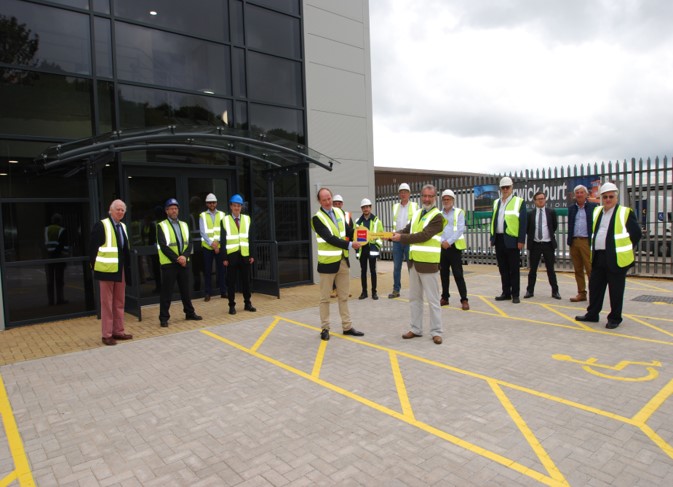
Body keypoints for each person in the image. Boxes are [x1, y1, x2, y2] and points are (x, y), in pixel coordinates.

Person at [576, 182, 642, 329]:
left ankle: (615, 318)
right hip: (599, 256)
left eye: (610, 197)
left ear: (616, 198)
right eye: (605, 197)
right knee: (595, 287)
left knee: (616, 290)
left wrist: (623, 247)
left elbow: (636, 234)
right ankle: (592, 314)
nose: (607, 199)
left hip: (616, 258)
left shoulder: (625, 212)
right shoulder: (598, 211)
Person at [392, 184, 446, 344]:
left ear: (435, 198)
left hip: (429, 264)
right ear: (421, 197)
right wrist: (392, 235)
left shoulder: (438, 217)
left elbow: (424, 236)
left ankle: (436, 331)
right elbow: (407, 229)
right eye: (424, 196)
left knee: (433, 300)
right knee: (414, 298)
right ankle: (416, 329)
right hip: (414, 263)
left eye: (430, 196)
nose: (427, 199)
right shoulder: (416, 214)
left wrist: (400, 238)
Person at [311, 187, 365, 341]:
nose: (328, 202)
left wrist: (363, 234)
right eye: (324, 200)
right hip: (327, 263)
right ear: (319, 201)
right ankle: (325, 328)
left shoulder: (340, 212)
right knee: (325, 298)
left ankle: (347, 327)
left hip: (342, 261)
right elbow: (329, 238)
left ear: (332, 197)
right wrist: (350, 245)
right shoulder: (317, 218)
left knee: (343, 297)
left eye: (329, 198)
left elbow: (348, 231)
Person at [89, 200, 132, 346]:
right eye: (117, 209)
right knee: (107, 304)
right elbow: (92, 248)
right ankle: (106, 335)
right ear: (111, 210)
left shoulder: (123, 226)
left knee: (119, 302)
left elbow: (124, 249)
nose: (120, 212)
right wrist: (94, 266)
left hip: (120, 270)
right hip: (106, 271)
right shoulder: (101, 225)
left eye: (122, 210)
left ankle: (118, 331)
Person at [157, 198, 203, 327]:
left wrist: (184, 256)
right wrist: (178, 258)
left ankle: (189, 313)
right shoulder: (161, 226)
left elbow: (189, 244)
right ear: (166, 211)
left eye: (176, 208)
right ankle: (164, 318)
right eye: (171, 208)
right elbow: (163, 246)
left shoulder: (184, 224)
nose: (174, 210)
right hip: (169, 264)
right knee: (167, 292)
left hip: (183, 263)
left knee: (186, 290)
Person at [491, 176, 527, 303]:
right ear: (500, 189)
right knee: (503, 269)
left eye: (507, 187)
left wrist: (521, 240)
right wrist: (492, 238)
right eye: (503, 187)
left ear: (512, 188)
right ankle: (506, 292)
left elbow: (523, 223)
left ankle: (515, 294)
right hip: (499, 239)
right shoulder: (496, 202)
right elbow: (494, 221)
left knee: (514, 269)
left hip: (512, 239)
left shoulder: (519, 202)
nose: (505, 189)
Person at [223, 194, 256, 315]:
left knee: (246, 281)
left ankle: (248, 303)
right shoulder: (225, 220)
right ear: (231, 206)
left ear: (241, 207)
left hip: (244, 255)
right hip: (231, 256)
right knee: (231, 282)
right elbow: (223, 239)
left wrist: (252, 255)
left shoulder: (247, 219)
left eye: (239, 206)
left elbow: (251, 238)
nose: (237, 208)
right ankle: (231, 306)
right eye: (234, 205)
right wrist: (224, 257)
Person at [524, 191, 561, 300]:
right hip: (535, 244)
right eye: (538, 199)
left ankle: (555, 291)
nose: (541, 200)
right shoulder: (530, 214)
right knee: (533, 270)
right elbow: (528, 229)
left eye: (543, 198)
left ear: (545, 199)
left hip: (548, 244)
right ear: (535, 201)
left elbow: (554, 226)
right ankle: (529, 291)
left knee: (550, 269)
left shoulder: (551, 212)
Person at [439, 189, 470, 310]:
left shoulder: (459, 212)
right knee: (444, 274)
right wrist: (442, 242)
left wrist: (449, 242)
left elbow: (460, 230)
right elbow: (437, 229)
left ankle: (464, 299)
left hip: (454, 247)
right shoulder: (439, 214)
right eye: (444, 199)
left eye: (448, 199)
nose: (446, 201)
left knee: (458, 274)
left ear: (453, 200)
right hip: (442, 247)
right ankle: (445, 297)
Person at [567, 184, 598, 302]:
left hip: (586, 241)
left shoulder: (593, 207)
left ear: (586, 194)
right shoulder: (571, 208)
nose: (579, 195)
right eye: (577, 193)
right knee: (578, 269)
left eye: (581, 192)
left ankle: (594, 294)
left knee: (590, 269)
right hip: (574, 241)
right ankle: (581, 293)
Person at [389, 183, 418, 299]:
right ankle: (396, 290)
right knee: (396, 267)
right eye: (401, 192)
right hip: (397, 240)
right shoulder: (395, 207)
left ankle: (415, 291)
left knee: (411, 267)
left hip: (409, 240)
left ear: (409, 194)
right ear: (399, 194)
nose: (403, 194)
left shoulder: (415, 206)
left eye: (405, 191)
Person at [199, 193, 227, 302]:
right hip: (207, 247)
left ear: (216, 203)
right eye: (210, 202)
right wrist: (212, 243)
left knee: (221, 270)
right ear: (207, 204)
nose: (212, 204)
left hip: (219, 246)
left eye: (213, 202)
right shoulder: (202, 215)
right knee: (207, 271)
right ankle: (207, 293)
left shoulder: (222, 215)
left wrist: (217, 242)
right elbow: (202, 232)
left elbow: (224, 231)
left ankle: (223, 291)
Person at [355, 198, 383, 300]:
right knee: (363, 271)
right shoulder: (358, 222)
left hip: (372, 248)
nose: (366, 209)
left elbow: (380, 236)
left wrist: (376, 246)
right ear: (361, 209)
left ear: (370, 208)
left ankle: (374, 292)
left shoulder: (376, 221)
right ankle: (364, 292)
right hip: (363, 249)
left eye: (367, 207)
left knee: (373, 271)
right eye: (364, 207)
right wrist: (357, 250)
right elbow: (356, 237)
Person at [331, 194, 353, 299]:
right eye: (335, 204)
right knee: (334, 269)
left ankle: (345, 290)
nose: (337, 205)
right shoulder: (330, 216)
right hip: (334, 248)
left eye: (339, 203)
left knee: (345, 270)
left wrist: (353, 244)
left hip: (345, 248)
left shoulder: (347, 216)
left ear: (342, 204)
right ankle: (335, 290)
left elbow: (351, 231)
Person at [45, 213, 69, 305]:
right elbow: (63, 245)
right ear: (60, 221)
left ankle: (50, 301)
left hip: (48, 258)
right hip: (59, 258)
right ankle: (60, 299)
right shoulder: (62, 230)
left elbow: (42, 244)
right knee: (59, 280)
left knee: (50, 281)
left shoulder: (46, 230)